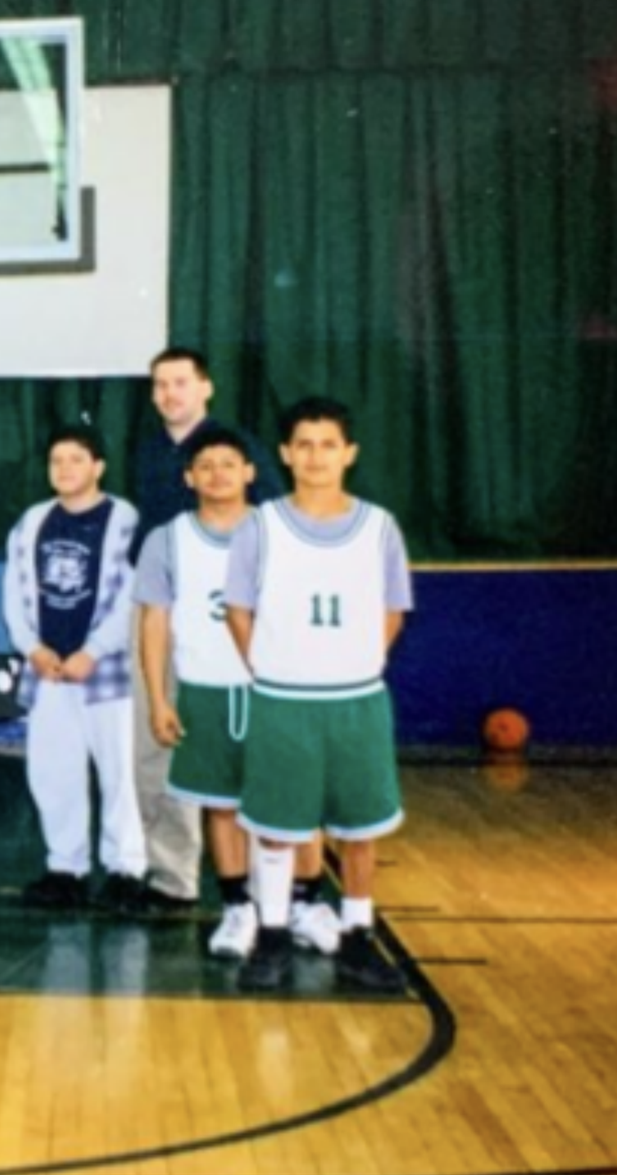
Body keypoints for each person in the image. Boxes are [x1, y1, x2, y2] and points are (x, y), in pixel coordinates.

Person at [226, 396, 414, 994]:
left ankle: (359, 937)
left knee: (360, 829)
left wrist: (360, 661)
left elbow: (393, 608)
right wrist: (269, 662)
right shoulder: (261, 524)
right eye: (303, 444)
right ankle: (274, 935)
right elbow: (238, 609)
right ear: (285, 454)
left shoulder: (379, 526)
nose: (315, 456)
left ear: (349, 453)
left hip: (356, 699)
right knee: (278, 827)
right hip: (284, 699)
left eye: (327, 444)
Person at [129, 348, 282, 913]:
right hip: (160, 609)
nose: (170, 394)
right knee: (156, 739)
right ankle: (173, 878)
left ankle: (260, 887)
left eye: (181, 383)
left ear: (206, 388)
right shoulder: (148, 451)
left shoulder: (236, 448)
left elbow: (270, 532)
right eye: (160, 385)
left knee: (249, 753)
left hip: (231, 621)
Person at [3, 426, 145, 913]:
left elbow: (135, 594)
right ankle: (66, 867)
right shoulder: (32, 520)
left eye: (76, 459)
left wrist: (96, 649)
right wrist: (32, 647)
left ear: (98, 466)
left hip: (107, 671)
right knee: (53, 771)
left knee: (120, 772)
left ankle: (127, 868)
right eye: (56, 460)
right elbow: (14, 595)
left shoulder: (125, 519)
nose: (64, 469)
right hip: (49, 669)